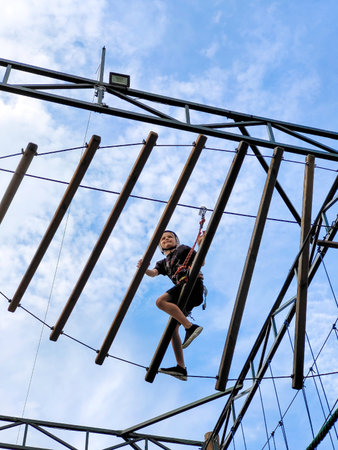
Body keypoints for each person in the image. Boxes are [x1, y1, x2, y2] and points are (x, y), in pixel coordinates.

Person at [137, 230, 205, 381]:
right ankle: (181, 368)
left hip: (192, 285)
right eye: (163, 239)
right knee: (172, 329)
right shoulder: (162, 263)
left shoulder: (183, 249)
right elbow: (153, 273)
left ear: (176, 241)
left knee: (160, 302)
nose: (166, 239)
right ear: (160, 246)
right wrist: (144, 269)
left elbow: (201, 262)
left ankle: (190, 327)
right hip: (183, 293)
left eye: (170, 237)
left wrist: (201, 245)